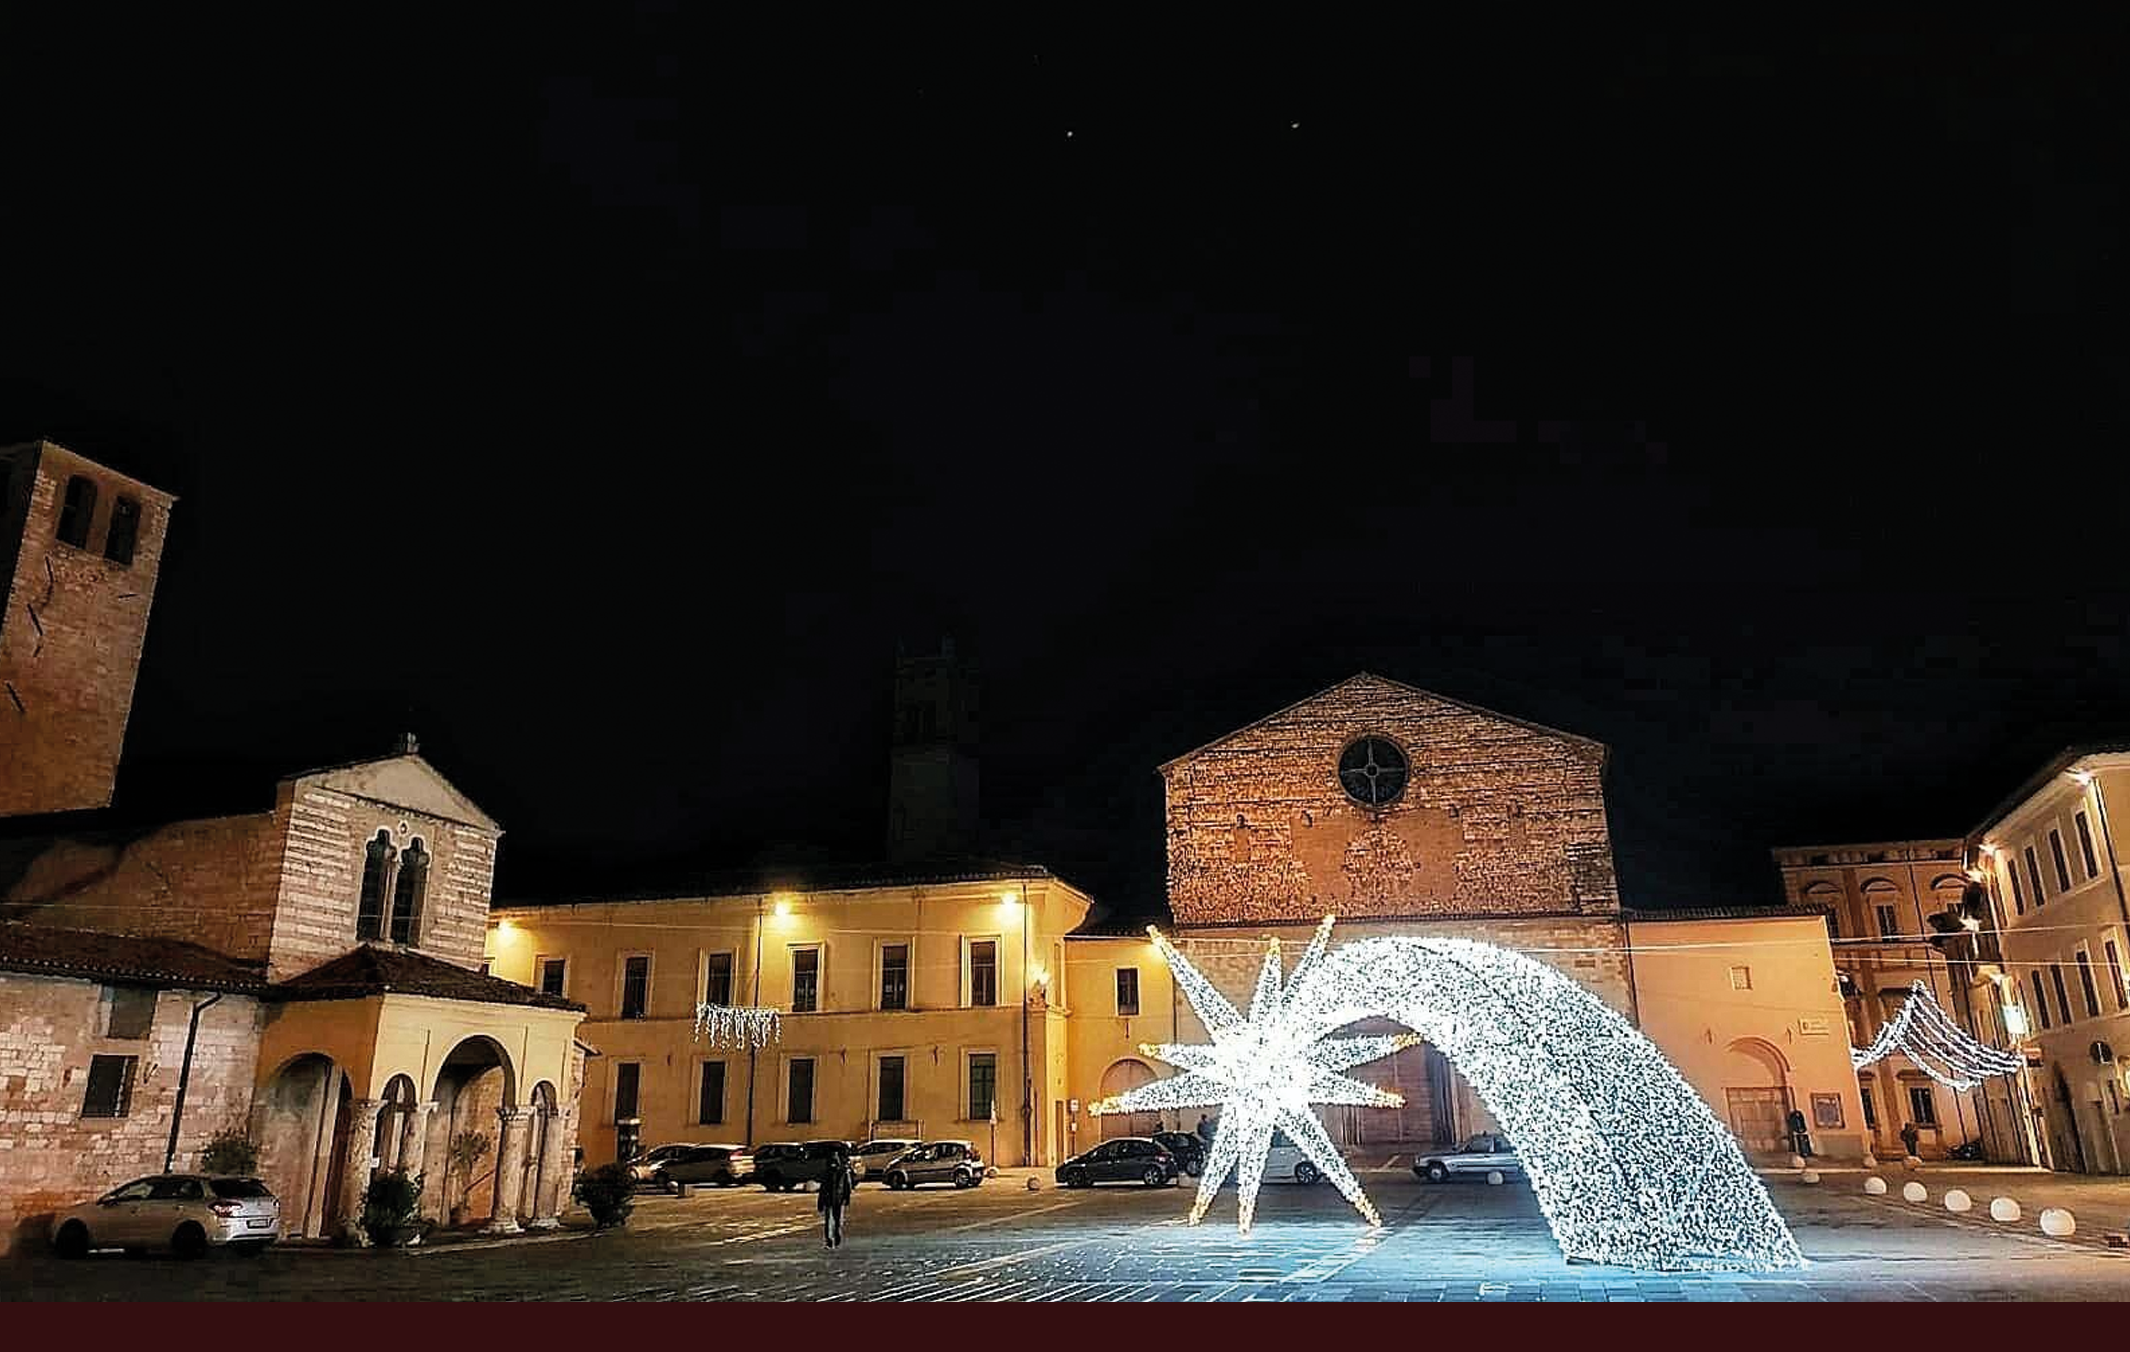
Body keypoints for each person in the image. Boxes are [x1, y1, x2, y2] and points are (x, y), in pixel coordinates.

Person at [819, 1145, 855, 1249]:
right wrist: (820, 1202)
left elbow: (847, 1187)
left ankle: (835, 1238)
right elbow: (823, 1188)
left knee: (836, 1221)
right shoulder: (828, 1173)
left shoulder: (842, 1172)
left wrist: (847, 1198)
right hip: (831, 1200)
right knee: (830, 1222)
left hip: (837, 1200)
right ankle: (830, 1240)